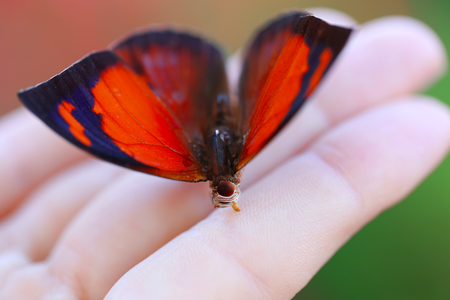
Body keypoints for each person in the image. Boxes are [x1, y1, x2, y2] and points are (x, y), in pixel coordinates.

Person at [0, 9, 449, 299]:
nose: (222, 193)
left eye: (223, 190)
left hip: (182, 96)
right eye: (223, 191)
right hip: (221, 105)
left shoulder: (189, 165)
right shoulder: (211, 166)